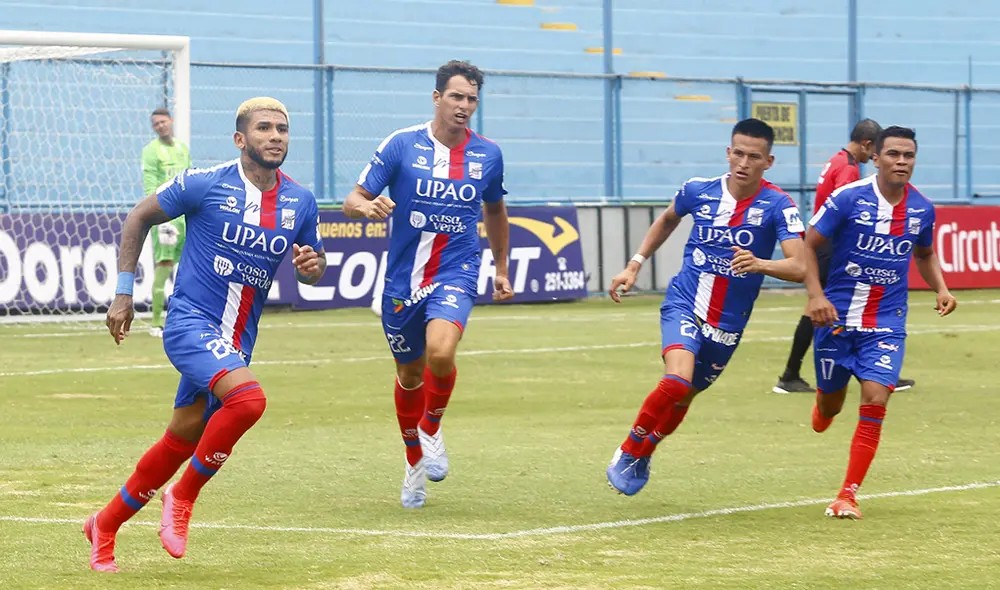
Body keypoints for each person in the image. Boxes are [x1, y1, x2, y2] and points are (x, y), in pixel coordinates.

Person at [85, 98, 327, 572]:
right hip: (190, 323)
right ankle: (182, 494)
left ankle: (105, 525)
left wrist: (313, 266)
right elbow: (138, 216)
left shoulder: (300, 201)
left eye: (282, 128)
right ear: (241, 140)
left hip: (237, 342)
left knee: (180, 438)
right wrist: (122, 293)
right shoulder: (204, 183)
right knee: (249, 401)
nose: (276, 136)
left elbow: (314, 266)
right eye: (264, 128)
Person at [342, 60, 513, 509]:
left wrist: (501, 267)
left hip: (456, 270)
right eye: (456, 96)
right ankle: (413, 461)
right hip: (402, 280)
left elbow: (494, 210)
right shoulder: (401, 145)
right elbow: (353, 198)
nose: (464, 106)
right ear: (437, 98)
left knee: (441, 351)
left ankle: (432, 428)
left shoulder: (488, 155)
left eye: (472, 99)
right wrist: (366, 208)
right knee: (410, 373)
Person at [605, 118, 807, 496]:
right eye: (738, 153)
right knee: (677, 379)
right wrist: (634, 264)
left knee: (687, 394)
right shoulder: (698, 190)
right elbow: (667, 220)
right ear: (728, 153)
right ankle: (630, 446)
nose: (744, 163)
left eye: (754, 157)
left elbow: (800, 265)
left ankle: (646, 452)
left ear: (769, 161)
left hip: (728, 323)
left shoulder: (779, 205)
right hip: (685, 301)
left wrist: (761, 264)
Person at [804, 126, 956, 520]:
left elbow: (924, 253)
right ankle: (824, 407)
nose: (901, 162)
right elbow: (807, 245)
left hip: (887, 322)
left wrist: (941, 287)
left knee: (875, 398)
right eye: (893, 154)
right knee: (830, 403)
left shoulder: (922, 209)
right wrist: (816, 296)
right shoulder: (848, 198)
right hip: (837, 319)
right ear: (876, 157)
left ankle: (847, 495)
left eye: (908, 155)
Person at [773, 120, 916, 394]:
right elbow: (849, 215)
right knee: (830, 306)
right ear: (867, 145)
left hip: (824, 244)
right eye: (878, 151)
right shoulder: (849, 170)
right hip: (833, 248)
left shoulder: (836, 159)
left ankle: (797, 374)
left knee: (821, 307)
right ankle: (873, 369)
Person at [141, 108, 192, 338]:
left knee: (186, 269)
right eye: (156, 124)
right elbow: (150, 186)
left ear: (171, 121)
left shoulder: (182, 148)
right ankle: (155, 323)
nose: (160, 126)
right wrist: (158, 214)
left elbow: (190, 179)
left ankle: (184, 319)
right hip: (166, 218)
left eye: (163, 121)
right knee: (164, 266)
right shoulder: (151, 151)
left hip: (185, 218)